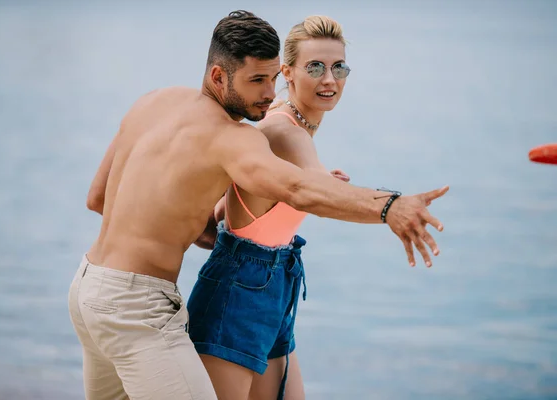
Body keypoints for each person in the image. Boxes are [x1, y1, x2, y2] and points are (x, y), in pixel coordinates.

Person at [69, 10, 448, 400]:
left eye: (271, 78)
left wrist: (186, 225)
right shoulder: (234, 139)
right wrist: (390, 207)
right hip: (137, 307)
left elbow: (97, 197)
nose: (269, 93)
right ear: (219, 76)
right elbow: (300, 189)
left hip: (88, 287)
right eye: (256, 81)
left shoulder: (154, 102)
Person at [185, 15, 385, 400]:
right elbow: (321, 197)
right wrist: (395, 207)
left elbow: (225, 208)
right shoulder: (284, 131)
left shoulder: (294, 126)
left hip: (271, 280)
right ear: (287, 72)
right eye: (315, 67)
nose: (330, 79)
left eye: (338, 67)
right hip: (241, 288)